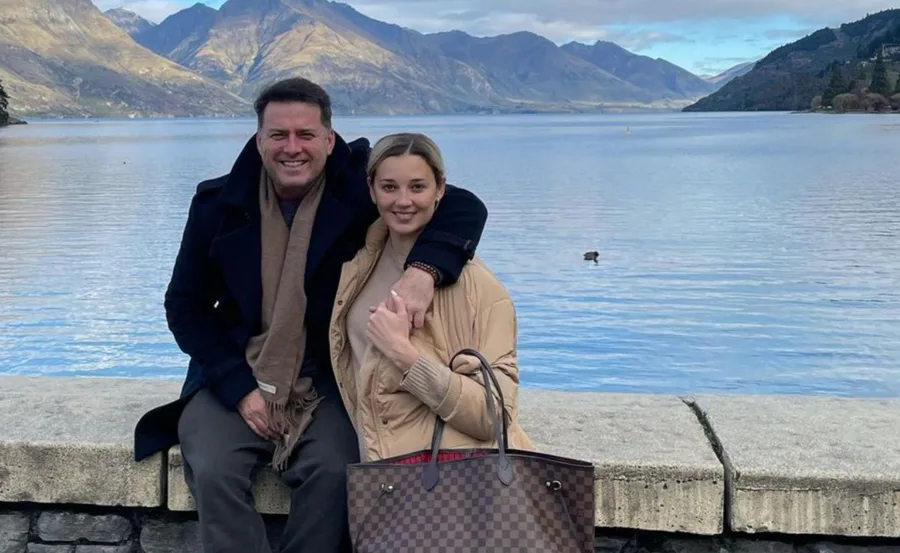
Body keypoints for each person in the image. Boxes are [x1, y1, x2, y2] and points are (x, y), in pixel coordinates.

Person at [132, 79, 488, 553]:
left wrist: (424, 272)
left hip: (326, 377)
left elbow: (462, 206)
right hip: (233, 373)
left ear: (329, 139)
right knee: (214, 470)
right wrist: (240, 389)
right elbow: (185, 307)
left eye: (306, 134)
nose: (292, 148)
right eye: (279, 135)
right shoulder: (217, 206)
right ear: (260, 139)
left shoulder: (358, 189)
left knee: (336, 472)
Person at [329, 132, 534, 463]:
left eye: (417, 187)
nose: (403, 201)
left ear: (440, 189)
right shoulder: (355, 268)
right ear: (371, 190)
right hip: (380, 473)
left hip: (452, 477)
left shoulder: (479, 288)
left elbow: (495, 414)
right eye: (389, 187)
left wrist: (404, 355)